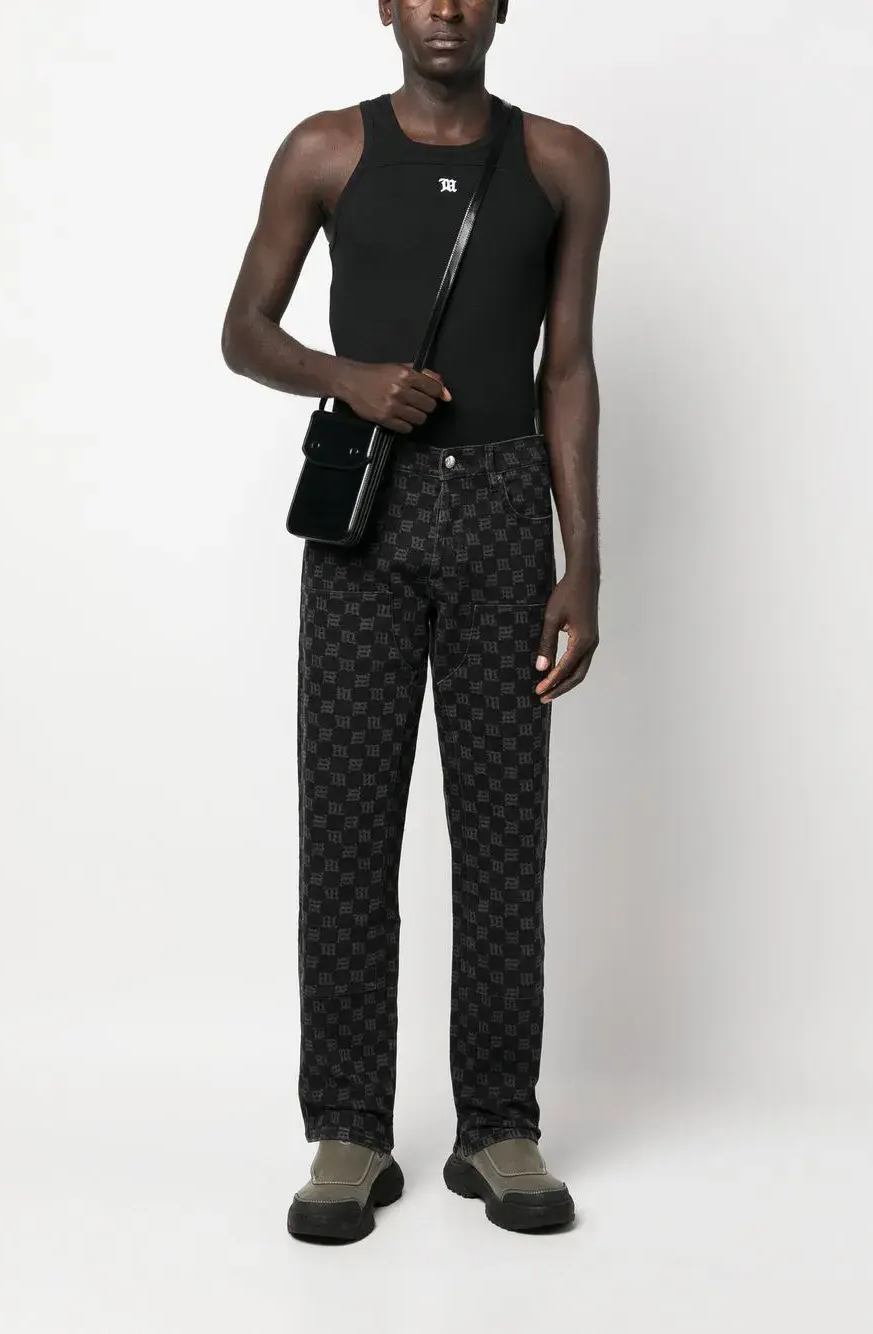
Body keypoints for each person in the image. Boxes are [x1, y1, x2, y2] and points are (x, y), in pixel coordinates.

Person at [220, 0, 609, 1241]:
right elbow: (242, 330)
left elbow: (565, 366)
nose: (445, 7)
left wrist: (582, 561)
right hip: (366, 517)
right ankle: (348, 1129)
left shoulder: (562, 161)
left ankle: (497, 1124)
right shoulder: (325, 148)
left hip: (503, 510)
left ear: (501, 7)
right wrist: (347, 377)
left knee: (502, 834)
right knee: (345, 828)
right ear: (387, 6)